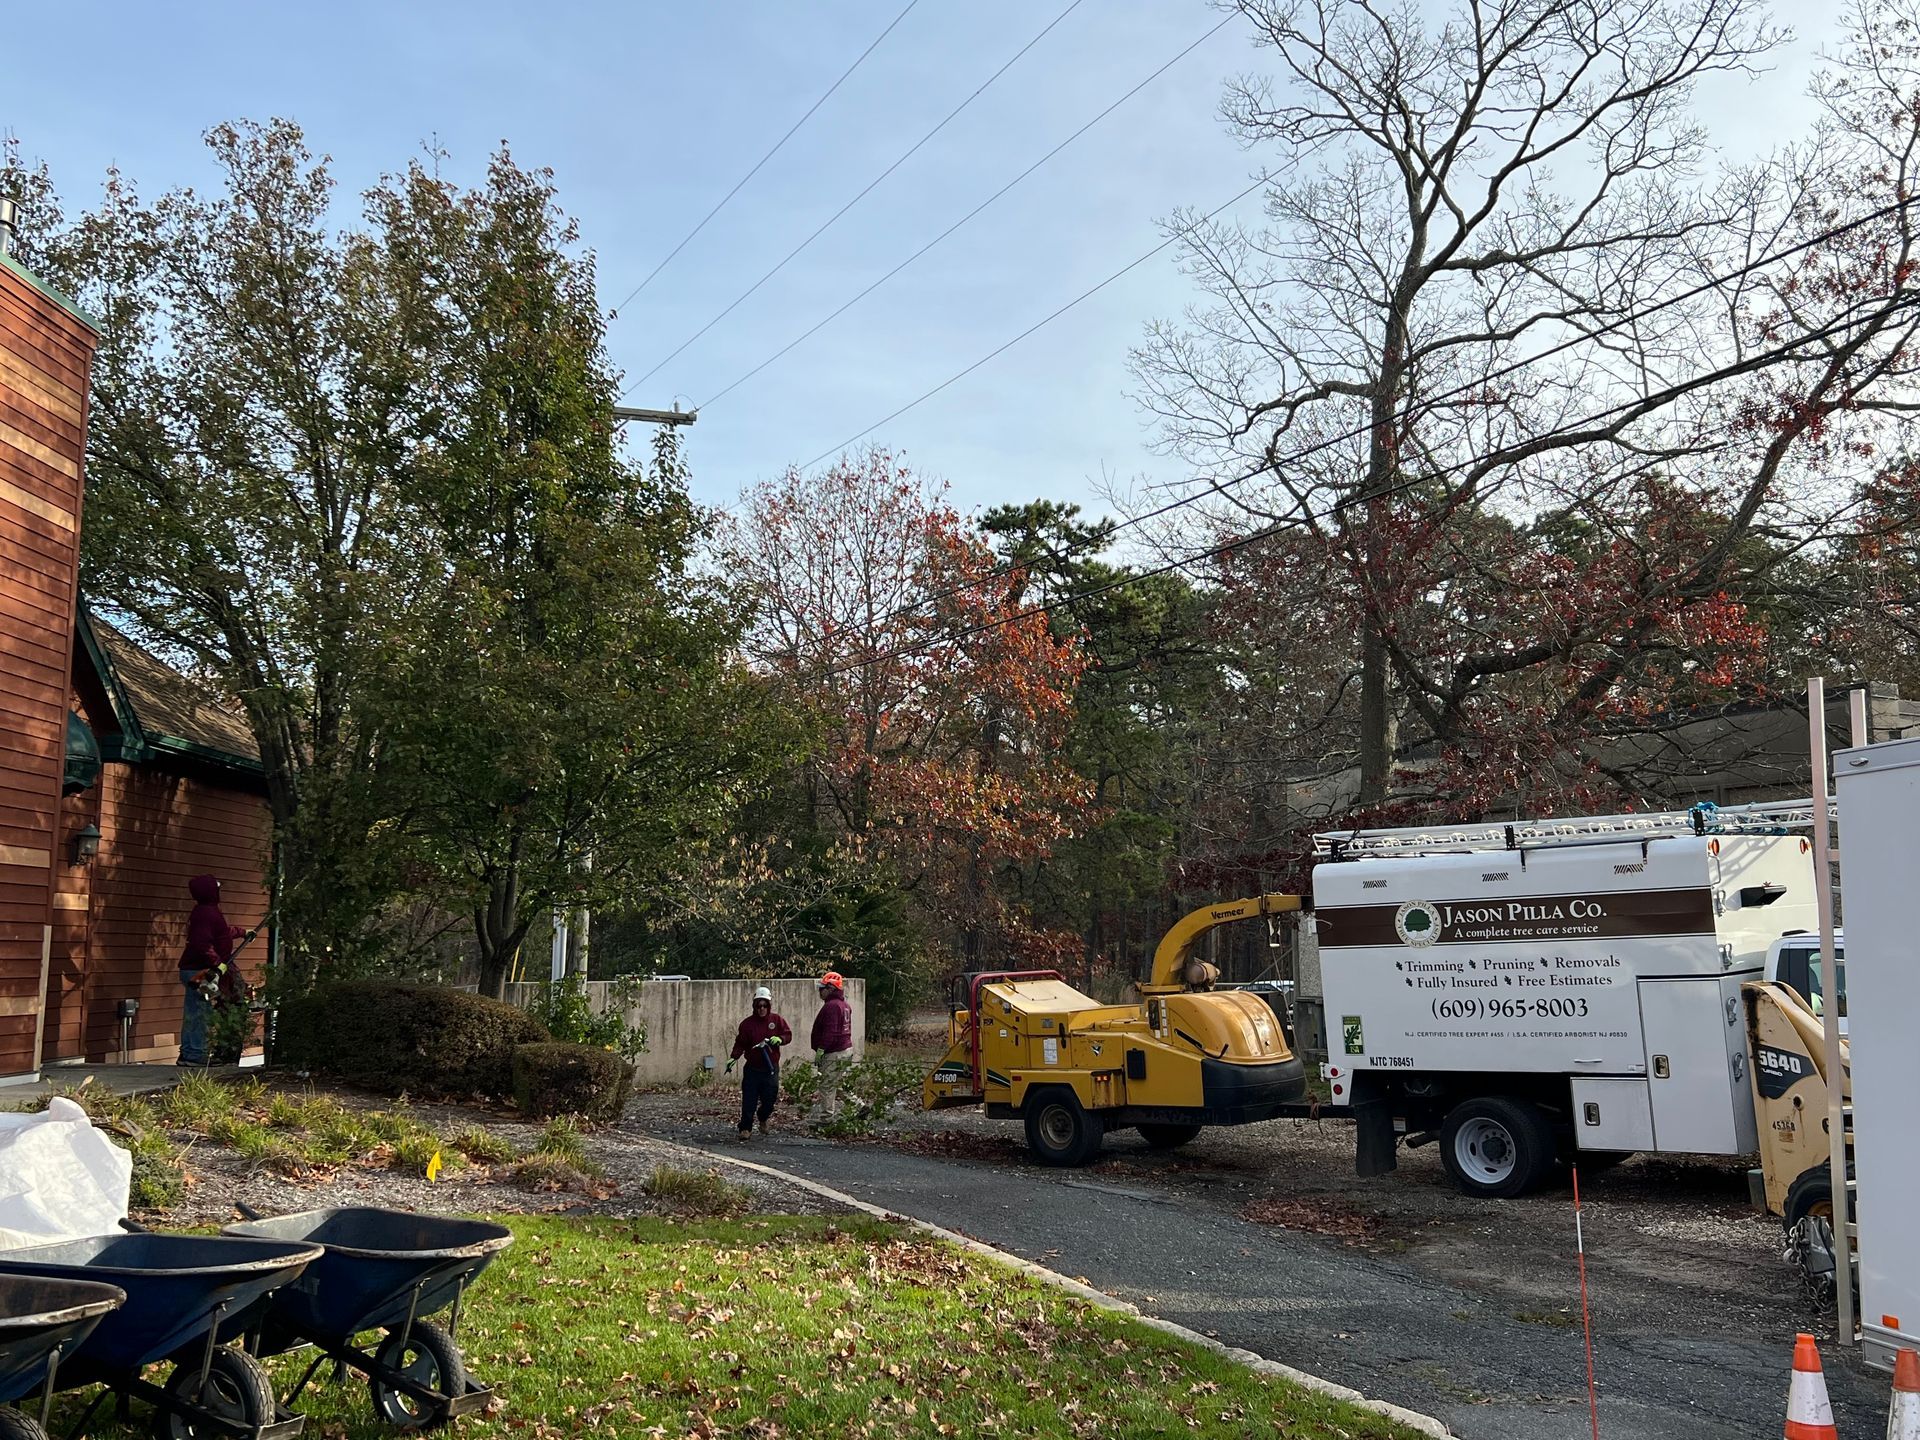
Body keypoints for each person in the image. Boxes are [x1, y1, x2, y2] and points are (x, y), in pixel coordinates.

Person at [178, 874, 250, 1067]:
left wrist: (243, 933)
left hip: (199, 968)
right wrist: (217, 964)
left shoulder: (208, 912)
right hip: (198, 970)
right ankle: (193, 1055)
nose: (219, 891)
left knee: (197, 1009)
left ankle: (190, 1053)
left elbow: (222, 933)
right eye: (217, 888)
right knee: (198, 1011)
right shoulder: (205, 913)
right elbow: (202, 943)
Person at [727, 986, 792, 1139]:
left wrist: (780, 1039)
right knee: (749, 1100)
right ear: (754, 1006)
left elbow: (787, 1035)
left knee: (770, 1098)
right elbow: (740, 1043)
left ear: (769, 1006)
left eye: (764, 1005)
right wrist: (733, 1057)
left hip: (770, 1068)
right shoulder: (747, 1024)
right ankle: (745, 1128)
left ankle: (763, 1117)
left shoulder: (777, 1020)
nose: (761, 1008)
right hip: (752, 1069)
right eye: (759, 1005)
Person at [810, 971, 855, 1118]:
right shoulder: (844, 1005)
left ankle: (826, 1118)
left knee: (827, 1085)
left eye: (822, 988)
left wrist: (820, 1050)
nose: (819, 991)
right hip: (845, 1049)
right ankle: (859, 1106)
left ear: (830, 988)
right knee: (838, 1083)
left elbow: (830, 1032)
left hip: (834, 1052)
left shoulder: (832, 1006)